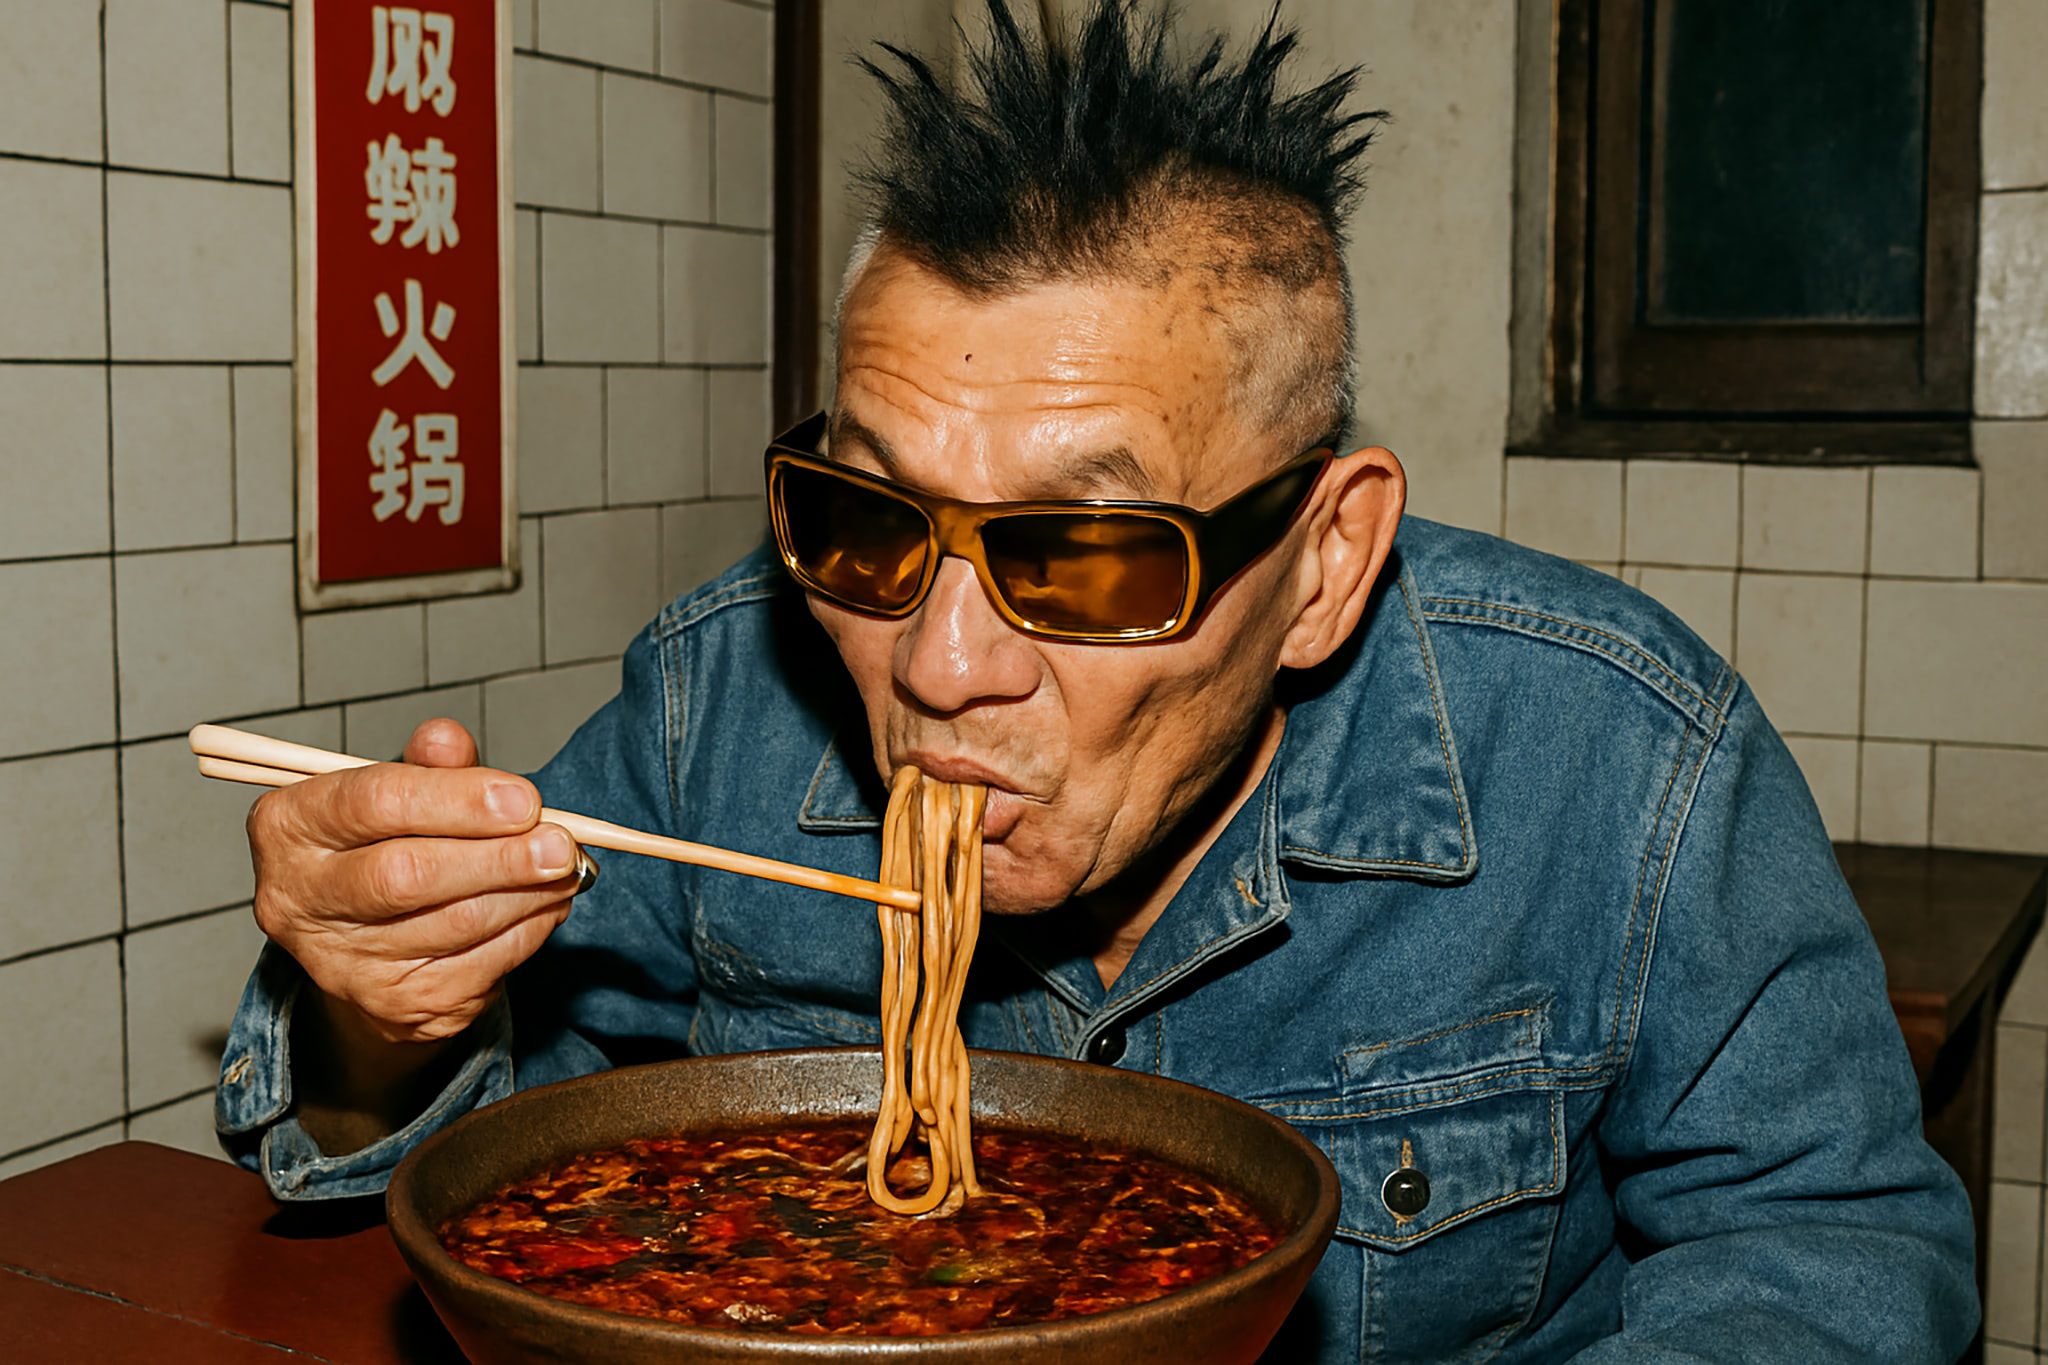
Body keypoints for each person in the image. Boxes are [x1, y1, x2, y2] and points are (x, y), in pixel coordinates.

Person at [215, 1, 1977, 1356]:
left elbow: (1838, 1244)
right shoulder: (712, 707)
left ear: (1325, 564)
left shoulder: (1619, 760)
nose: (941, 663)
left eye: (1089, 561)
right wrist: (379, 1012)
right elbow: (485, 1158)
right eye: (868, 520)